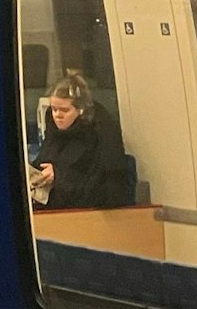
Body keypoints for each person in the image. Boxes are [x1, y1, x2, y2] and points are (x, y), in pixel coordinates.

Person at [29, 73, 127, 210]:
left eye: (64, 110)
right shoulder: (54, 133)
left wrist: (58, 176)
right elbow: (43, 162)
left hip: (86, 211)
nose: (57, 115)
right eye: (54, 109)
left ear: (81, 110)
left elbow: (100, 189)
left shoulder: (99, 135)